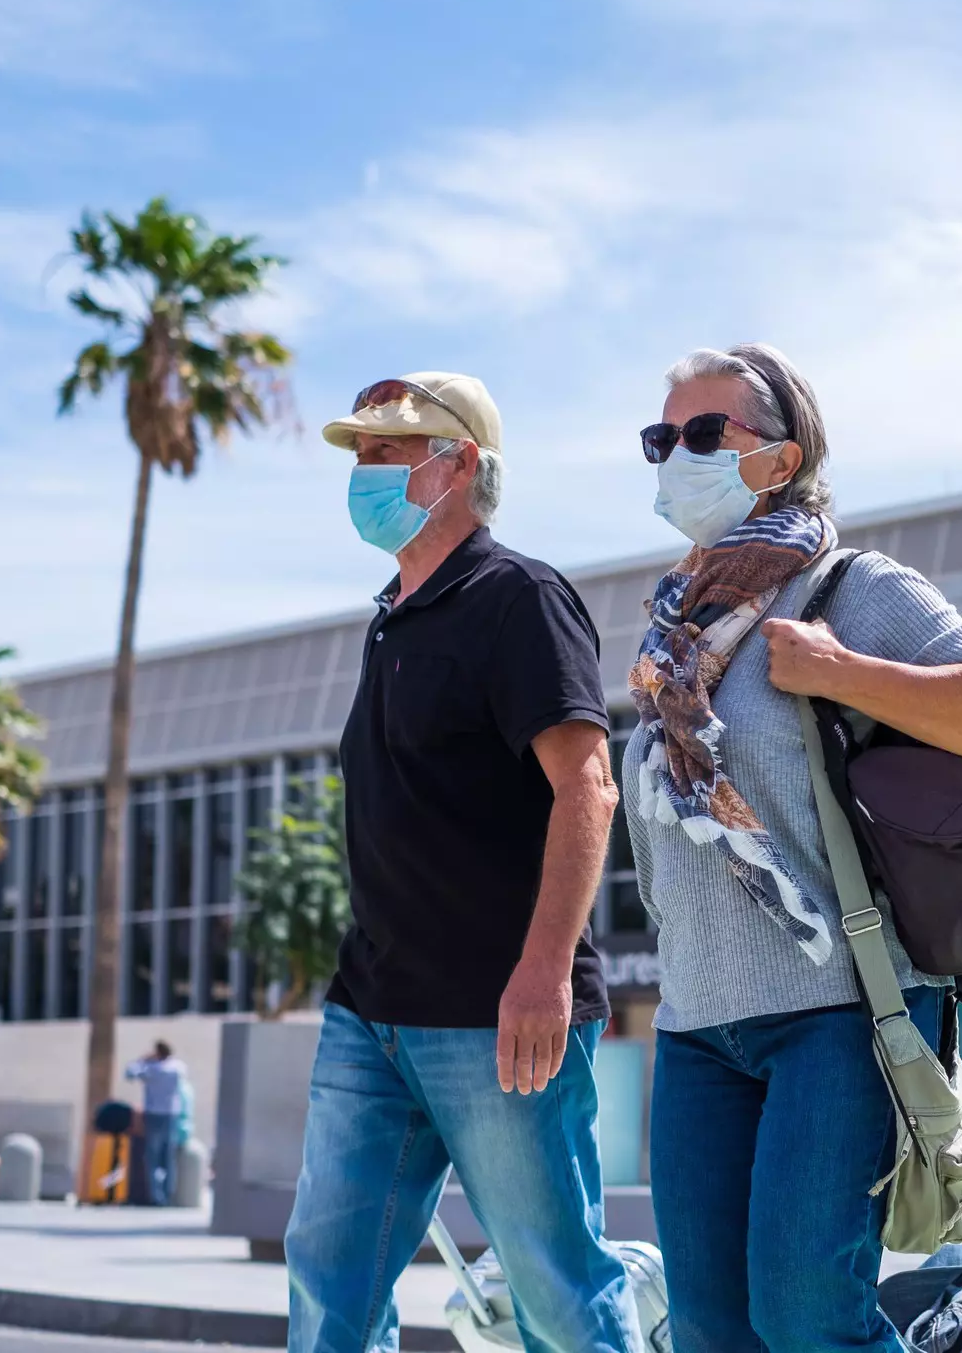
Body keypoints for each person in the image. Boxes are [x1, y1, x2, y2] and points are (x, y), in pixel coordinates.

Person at [623, 344, 962, 1352]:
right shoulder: (677, 628)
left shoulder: (850, 588)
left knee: (809, 1319)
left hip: (835, 1013)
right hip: (696, 1025)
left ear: (781, 455)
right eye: (659, 437)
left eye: (700, 434)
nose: (672, 455)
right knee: (713, 1333)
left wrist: (842, 670)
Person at [287, 373, 638, 1353]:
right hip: (370, 1013)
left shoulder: (517, 597)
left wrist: (541, 972)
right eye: (358, 453)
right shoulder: (390, 617)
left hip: (500, 1020)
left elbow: (588, 788)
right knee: (329, 1282)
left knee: (557, 1292)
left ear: (459, 464)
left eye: (386, 452)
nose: (364, 472)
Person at [123, 1041, 187, 1206]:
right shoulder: (177, 1067)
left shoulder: (152, 1070)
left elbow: (129, 1073)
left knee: (153, 1157)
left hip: (153, 1115)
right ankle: (168, 1195)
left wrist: (142, 1060)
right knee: (168, 1157)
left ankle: (156, 1197)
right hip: (172, 1114)